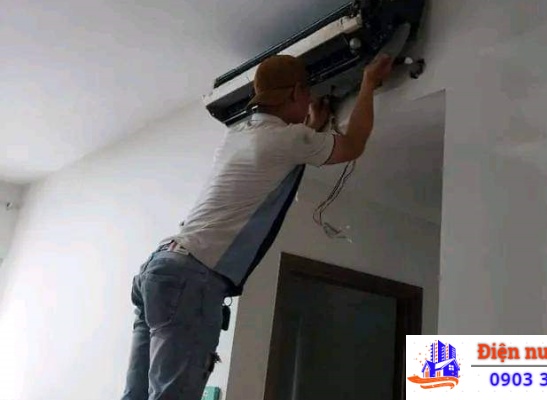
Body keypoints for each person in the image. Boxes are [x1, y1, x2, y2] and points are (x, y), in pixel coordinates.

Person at [121, 53, 394, 400]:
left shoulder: (237, 136)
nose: (310, 99)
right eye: (307, 92)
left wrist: (311, 127)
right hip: (192, 277)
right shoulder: (286, 140)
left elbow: (275, 158)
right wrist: (369, 83)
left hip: (160, 268)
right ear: (296, 92)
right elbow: (352, 145)